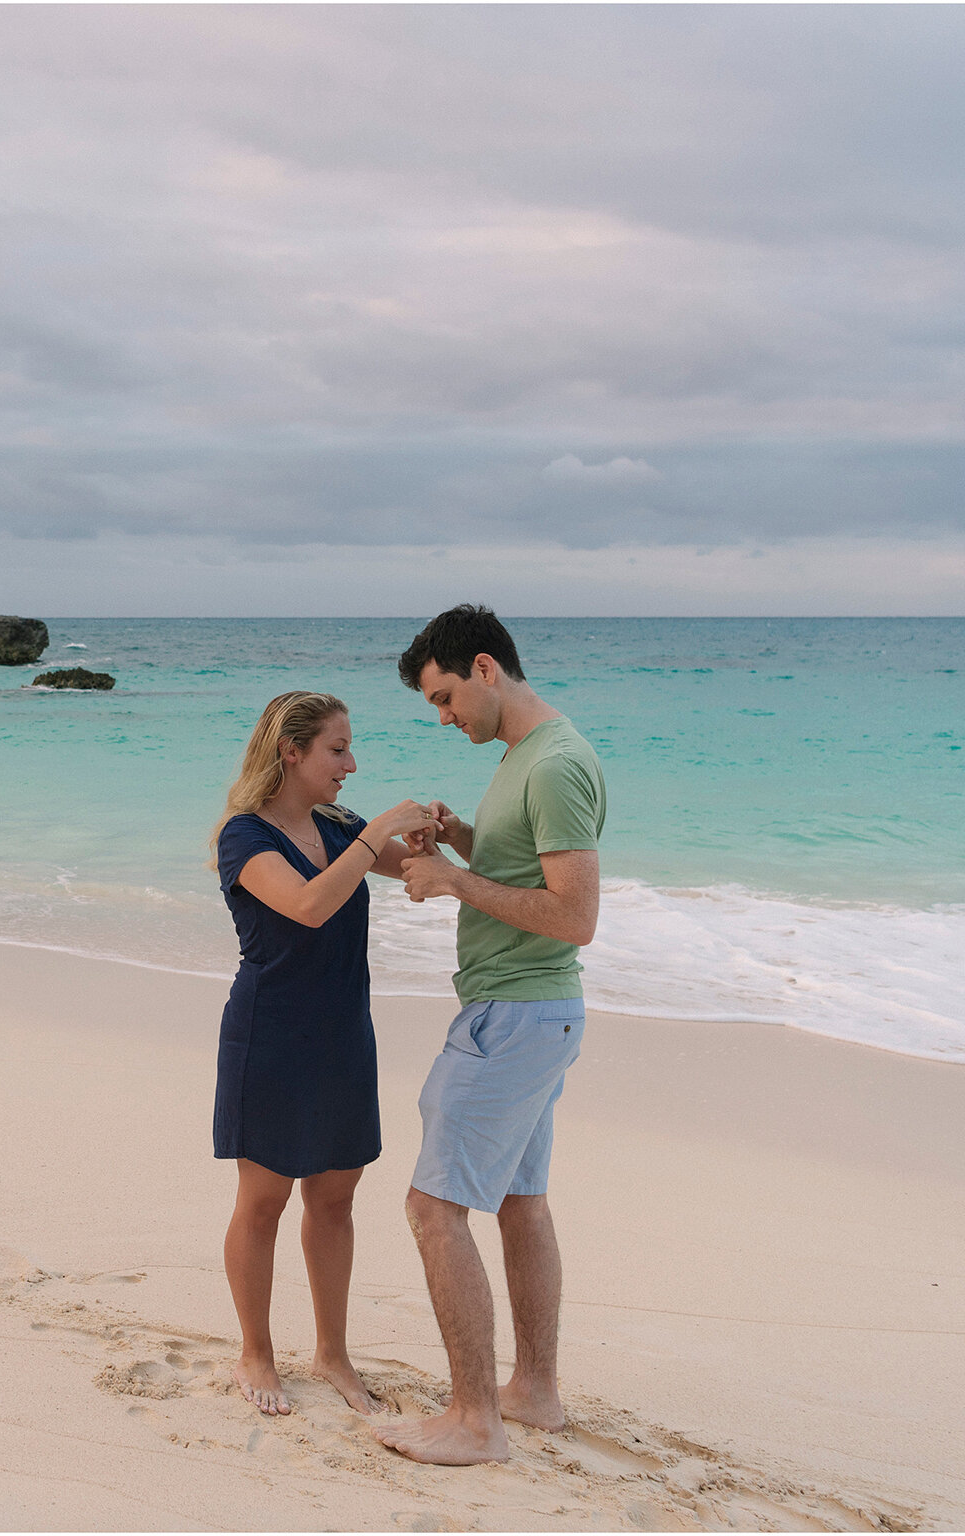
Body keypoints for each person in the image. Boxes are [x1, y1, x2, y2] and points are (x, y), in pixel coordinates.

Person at [373, 605, 607, 1467]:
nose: (443, 719)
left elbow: (574, 917)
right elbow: (531, 872)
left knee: (433, 1209)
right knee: (518, 1201)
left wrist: (451, 882)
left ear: (482, 668)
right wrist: (468, 843)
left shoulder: (551, 767)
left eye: (442, 700)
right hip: (531, 1012)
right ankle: (534, 1393)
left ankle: (475, 1419)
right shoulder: (526, 758)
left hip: (515, 1012)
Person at [213, 691, 436, 1417]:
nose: (351, 763)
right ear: (292, 752)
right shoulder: (243, 838)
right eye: (337, 749)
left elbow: (410, 875)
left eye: (349, 748)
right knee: (264, 1201)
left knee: (335, 1199)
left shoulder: (341, 826)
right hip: (271, 1038)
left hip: (345, 1034)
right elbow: (309, 905)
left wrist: (435, 839)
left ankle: (333, 1353)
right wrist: (377, 833)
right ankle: (256, 1352)